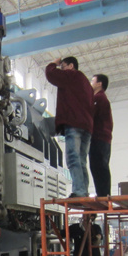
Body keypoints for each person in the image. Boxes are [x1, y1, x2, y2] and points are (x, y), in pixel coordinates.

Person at [45, 56, 94, 198]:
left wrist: (54, 63)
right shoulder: (86, 83)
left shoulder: (72, 75)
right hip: (87, 127)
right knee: (81, 160)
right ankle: (83, 191)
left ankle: (79, 191)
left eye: (63, 67)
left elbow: (50, 74)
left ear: (71, 66)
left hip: (74, 123)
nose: (62, 70)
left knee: (73, 158)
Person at [89, 74, 113, 197]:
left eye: (92, 81)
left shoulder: (99, 98)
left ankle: (103, 195)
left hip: (99, 137)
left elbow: (90, 115)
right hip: (103, 138)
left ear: (99, 84)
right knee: (100, 166)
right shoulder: (100, 98)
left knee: (98, 167)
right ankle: (103, 194)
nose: (90, 83)